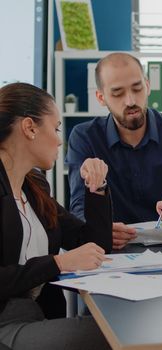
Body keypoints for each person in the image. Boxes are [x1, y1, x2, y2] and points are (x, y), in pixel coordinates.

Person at [0, 82, 113, 350]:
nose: (60, 139)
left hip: (36, 315)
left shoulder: (35, 186)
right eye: (56, 128)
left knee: (121, 327)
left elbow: (94, 243)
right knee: (113, 336)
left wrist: (96, 188)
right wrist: (58, 263)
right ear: (29, 128)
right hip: (6, 322)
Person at [66, 52, 162, 250]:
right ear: (101, 97)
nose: (130, 101)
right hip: (112, 250)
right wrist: (99, 228)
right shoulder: (85, 137)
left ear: (148, 85)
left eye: (137, 89)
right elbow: (79, 208)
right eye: (117, 93)